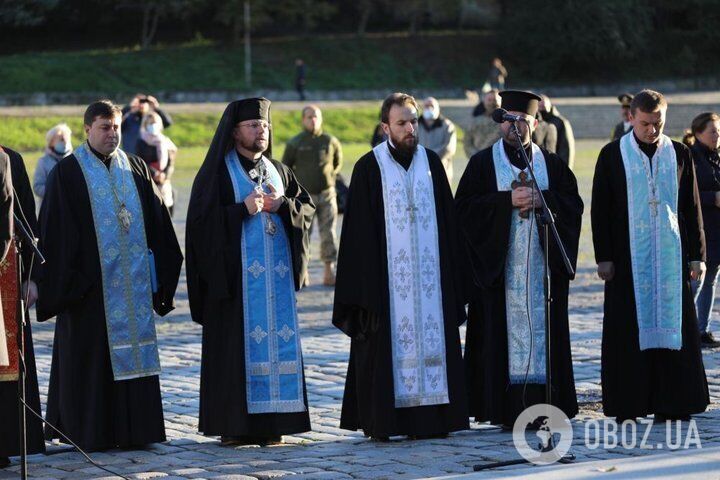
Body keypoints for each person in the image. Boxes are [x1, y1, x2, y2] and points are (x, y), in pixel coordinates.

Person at [37, 100, 183, 451]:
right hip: (89, 291)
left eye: (116, 126)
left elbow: (159, 222)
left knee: (135, 356)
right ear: (87, 129)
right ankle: (92, 431)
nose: (112, 133)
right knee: (91, 362)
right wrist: (73, 283)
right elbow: (54, 234)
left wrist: (161, 275)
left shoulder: (134, 167)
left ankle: (137, 430)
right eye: (105, 127)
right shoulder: (68, 173)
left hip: (132, 287)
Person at [333, 93, 468, 440]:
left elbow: (449, 226)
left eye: (413, 121)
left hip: (431, 287)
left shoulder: (431, 164)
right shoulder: (369, 167)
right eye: (402, 123)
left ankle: (434, 419)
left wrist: (454, 280)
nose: (411, 129)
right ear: (385, 128)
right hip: (386, 288)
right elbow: (357, 239)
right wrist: (367, 293)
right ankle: (389, 421)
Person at [186, 98, 315, 446]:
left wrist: (284, 206)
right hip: (236, 287)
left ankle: (276, 423)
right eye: (253, 126)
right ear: (234, 131)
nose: (262, 131)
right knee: (236, 353)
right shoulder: (217, 172)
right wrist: (239, 210)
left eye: (265, 126)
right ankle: (235, 426)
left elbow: (307, 209)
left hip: (276, 285)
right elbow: (200, 226)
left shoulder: (279, 170)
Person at [456, 90, 583, 428]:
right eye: (509, 120)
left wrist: (545, 201)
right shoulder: (482, 164)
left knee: (546, 334)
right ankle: (500, 408)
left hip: (542, 275)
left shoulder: (551, 164)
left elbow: (572, 205)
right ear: (501, 124)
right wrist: (505, 202)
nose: (516, 127)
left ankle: (546, 406)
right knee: (499, 339)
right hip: (500, 276)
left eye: (523, 121)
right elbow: (464, 211)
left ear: (535, 123)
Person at [591, 89, 710, 423]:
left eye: (658, 123)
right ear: (632, 118)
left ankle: (674, 402)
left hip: (671, 258)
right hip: (628, 260)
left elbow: (691, 207)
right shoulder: (612, 155)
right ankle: (629, 403)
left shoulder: (680, 154)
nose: (652, 130)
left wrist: (697, 255)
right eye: (645, 123)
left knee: (674, 331)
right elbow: (600, 209)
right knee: (629, 330)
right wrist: (604, 256)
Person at [0, 146, 45, 467]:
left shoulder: (8, 159)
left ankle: (6, 441)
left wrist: (32, 277)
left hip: (5, 275)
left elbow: (25, 218)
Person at [282, 105, 342, 286]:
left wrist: (329, 178)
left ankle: (328, 270)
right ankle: (303, 271)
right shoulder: (295, 143)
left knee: (329, 233)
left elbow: (337, 163)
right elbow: (285, 168)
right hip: (303, 198)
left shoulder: (330, 141)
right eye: (309, 117)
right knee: (303, 234)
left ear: (321, 118)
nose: (313, 120)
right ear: (303, 120)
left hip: (327, 195)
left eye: (316, 116)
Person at [683, 112, 720, 348]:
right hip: (702, 230)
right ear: (698, 133)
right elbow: (687, 194)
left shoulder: (716, 156)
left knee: (712, 280)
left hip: (718, 229)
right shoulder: (691, 157)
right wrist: (712, 198)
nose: (717, 136)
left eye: (719, 132)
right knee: (696, 281)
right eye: (713, 131)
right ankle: (685, 328)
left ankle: (702, 330)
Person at [136, 112, 178, 217]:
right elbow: (140, 161)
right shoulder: (141, 141)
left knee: (167, 209)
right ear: (145, 125)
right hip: (148, 179)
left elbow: (170, 161)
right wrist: (154, 173)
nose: (152, 126)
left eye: (154, 123)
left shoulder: (165, 141)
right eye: (149, 123)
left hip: (164, 181)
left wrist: (164, 175)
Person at [418, 97, 457, 184]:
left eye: (431, 105)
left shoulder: (447, 125)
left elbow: (449, 148)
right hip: (419, 170)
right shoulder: (416, 125)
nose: (429, 108)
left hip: (441, 170)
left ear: (438, 108)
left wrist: (430, 157)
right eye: (426, 106)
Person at [33, 123, 73, 207]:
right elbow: (37, 187)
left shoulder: (75, 161)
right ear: (51, 142)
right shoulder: (43, 162)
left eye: (66, 139)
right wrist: (56, 192)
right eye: (61, 139)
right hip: (50, 209)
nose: (65, 142)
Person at [464, 90, 503, 159]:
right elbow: (467, 142)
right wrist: (476, 157)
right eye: (489, 100)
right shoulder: (475, 121)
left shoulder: (505, 122)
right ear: (484, 101)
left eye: (494, 100)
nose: (492, 103)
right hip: (478, 161)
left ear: (500, 102)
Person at [540, 95, 575, 169]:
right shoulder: (537, 123)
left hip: (557, 166)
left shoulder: (560, 122)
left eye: (543, 106)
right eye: (539, 107)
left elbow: (566, 148)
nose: (541, 108)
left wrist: (565, 170)